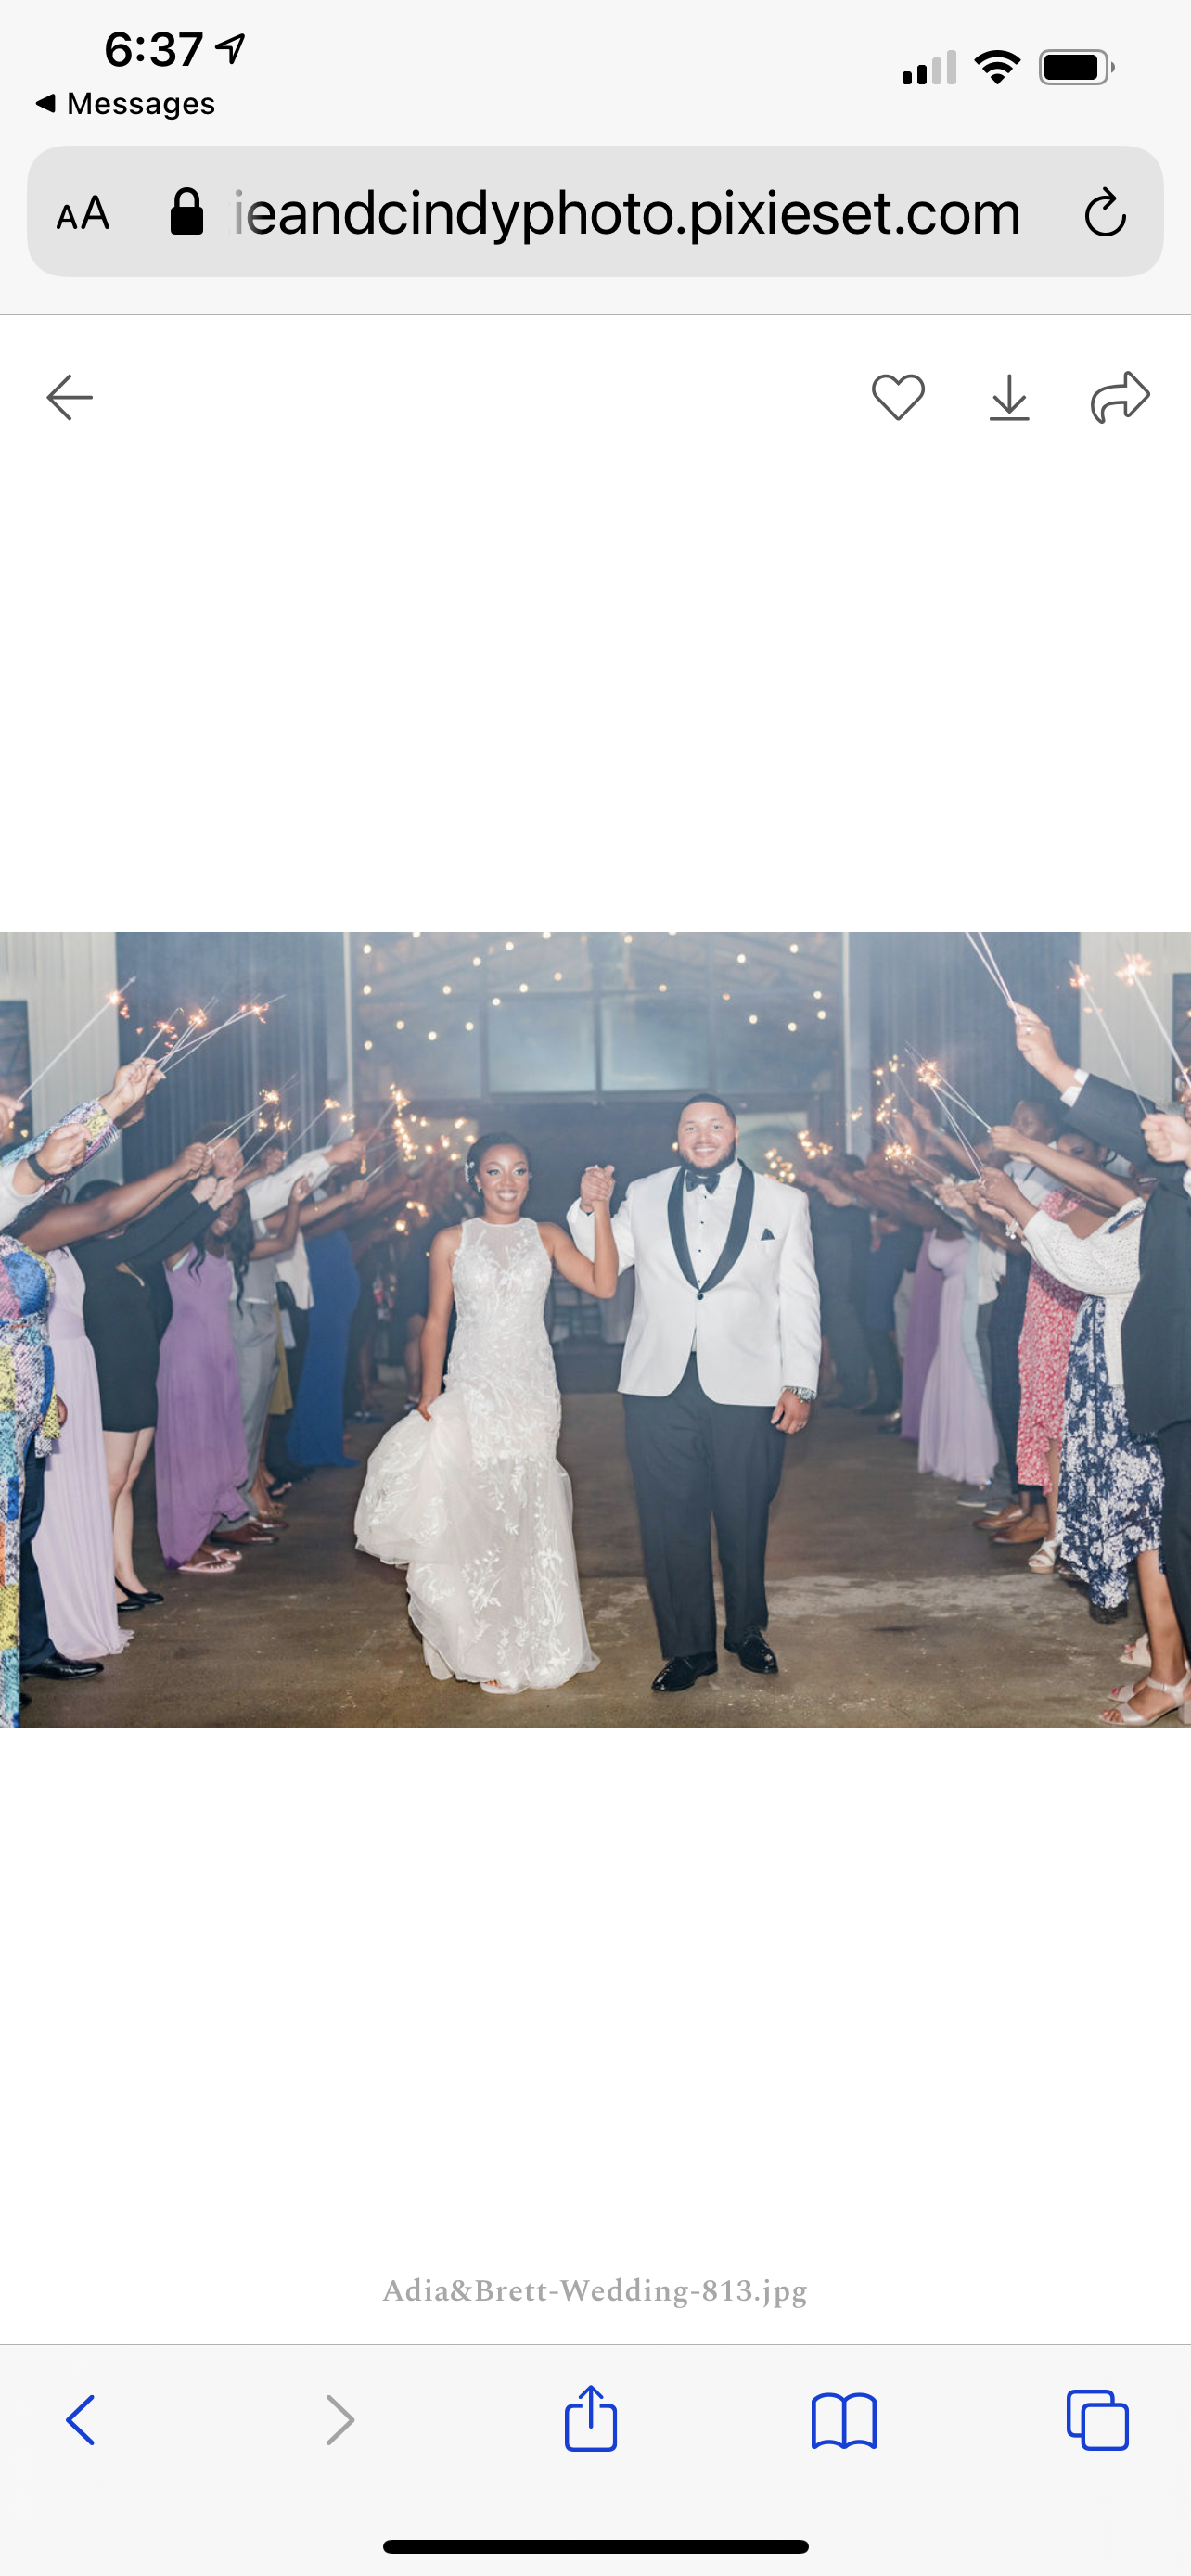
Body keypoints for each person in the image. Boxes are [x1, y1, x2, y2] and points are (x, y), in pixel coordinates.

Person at [568, 1095, 821, 1694]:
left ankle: (747, 1631)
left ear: (734, 1132)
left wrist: (800, 1382)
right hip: (658, 1385)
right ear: (676, 1137)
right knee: (667, 1522)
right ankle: (687, 1649)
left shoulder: (785, 1202)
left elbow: (801, 1298)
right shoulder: (646, 1193)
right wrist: (589, 1207)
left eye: (714, 1126)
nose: (702, 1136)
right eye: (690, 1127)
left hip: (751, 1385)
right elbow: (607, 1259)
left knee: (744, 1515)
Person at [356, 1131, 617, 1694]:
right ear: (475, 1178)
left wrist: (600, 1212)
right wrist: (427, 1395)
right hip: (472, 1385)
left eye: (519, 1171)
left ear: (530, 1179)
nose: (508, 1182)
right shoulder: (451, 1240)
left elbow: (604, 1282)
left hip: (530, 1390)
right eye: (495, 1171)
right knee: (479, 1512)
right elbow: (434, 1322)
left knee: (527, 1506)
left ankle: (540, 1641)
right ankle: (485, 1644)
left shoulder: (546, 1236)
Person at [977, 1158, 1187, 1723]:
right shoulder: (1144, 1213)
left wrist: (1021, 1204)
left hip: (1137, 1401)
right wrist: (1016, 1212)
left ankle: (1170, 1675)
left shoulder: (1159, 1224)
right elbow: (1078, 1236)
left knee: (1150, 1537)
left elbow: (1087, 1268)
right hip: (1124, 1396)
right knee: (1150, 1536)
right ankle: (1166, 1660)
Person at [1012, 1006, 1191, 1657]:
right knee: (1174, 1537)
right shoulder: (1168, 1180)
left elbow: (1099, 1229)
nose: (1181, 1101)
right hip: (1169, 1383)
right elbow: (1138, 1134)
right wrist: (1055, 1069)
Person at [0, 1062, 157, 1726]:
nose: (10, 1105)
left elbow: (31, 1168)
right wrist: (105, 1112)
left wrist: (112, 1110)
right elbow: (27, 1175)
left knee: (18, 1540)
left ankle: (29, 1651)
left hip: (25, 1404)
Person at [19, 1139, 215, 1657]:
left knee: (110, 1484)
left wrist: (200, 1190)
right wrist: (186, 1180)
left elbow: (142, 1228)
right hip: (57, 1369)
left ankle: (116, 1576)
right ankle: (78, 1601)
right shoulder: (47, 1239)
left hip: (81, 1369)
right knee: (72, 1497)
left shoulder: (68, 1247)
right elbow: (120, 1217)